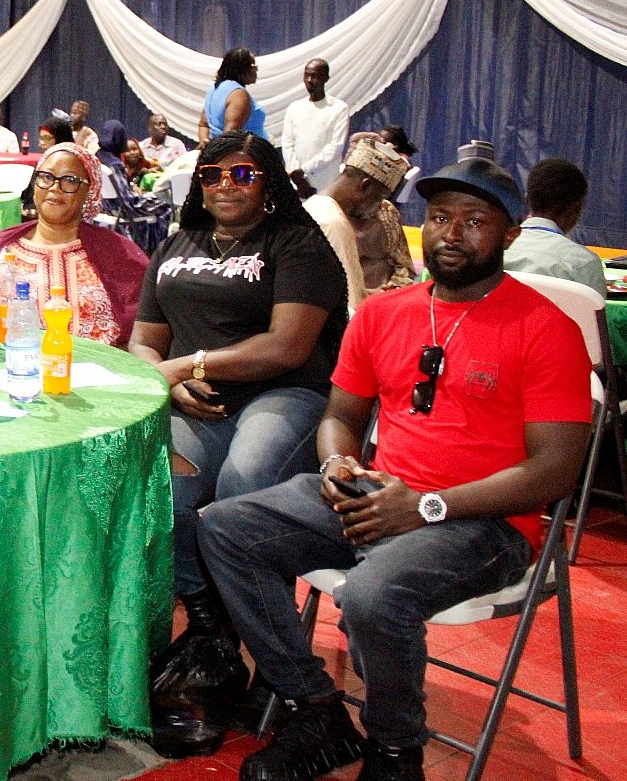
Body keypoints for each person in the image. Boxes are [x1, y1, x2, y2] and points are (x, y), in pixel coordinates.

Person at [201, 158, 591, 781]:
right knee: (225, 527)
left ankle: (394, 751)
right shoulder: (383, 313)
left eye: (474, 221)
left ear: (511, 233)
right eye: (439, 217)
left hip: (483, 522)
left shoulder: (546, 328)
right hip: (378, 497)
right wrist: (338, 463)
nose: (451, 234)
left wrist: (426, 506)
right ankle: (315, 710)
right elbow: (340, 416)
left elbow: (554, 473)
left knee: (374, 594)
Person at [128, 131, 347, 751]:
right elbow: (144, 340)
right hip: (196, 401)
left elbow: (287, 346)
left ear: (269, 182)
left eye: (243, 174)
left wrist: (186, 365)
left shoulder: (298, 243)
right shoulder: (176, 244)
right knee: (160, 487)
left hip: (285, 394)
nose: (226, 184)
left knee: (242, 488)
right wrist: (170, 382)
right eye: (212, 174)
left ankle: (259, 654)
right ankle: (214, 635)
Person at [0, 142, 151, 344]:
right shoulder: (2, 248)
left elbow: (144, 336)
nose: (55, 187)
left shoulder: (119, 255)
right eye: (46, 177)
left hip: (103, 363)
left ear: (90, 191)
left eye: (70, 180)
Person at [304, 136, 412, 314]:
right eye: (378, 197)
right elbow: (348, 306)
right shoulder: (332, 223)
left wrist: (379, 296)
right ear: (365, 186)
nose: (378, 206)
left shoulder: (313, 208)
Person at [503, 158, 607, 296]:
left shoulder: (496, 249)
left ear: (527, 200)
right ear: (576, 209)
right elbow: (595, 310)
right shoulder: (583, 263)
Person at [95, 119, 172, 252]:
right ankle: (155, 251)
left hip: (106, 209)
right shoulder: (114, 164)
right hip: (125, 210)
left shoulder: (98, 157)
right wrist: (155, 196)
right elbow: (128, 202)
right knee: (167, 204)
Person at [282, 58, 350, 198]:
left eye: (314, 76)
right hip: (296, 182)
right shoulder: (295, 107)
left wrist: (304, 170)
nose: (309, 80)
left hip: (325, 180)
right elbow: (287, 144)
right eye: (306, 75)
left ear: (325, 78)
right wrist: (296, 175)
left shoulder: (339, 108)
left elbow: (335, 147)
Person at [198, 47, 267, 143]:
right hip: (245, 150)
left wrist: (204, 141)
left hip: (218, 146)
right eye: (252, 64)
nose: (256, 68)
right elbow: (230, 136)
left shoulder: (214, 88)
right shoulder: (238, 94)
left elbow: (203, 125)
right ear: (242, 68)